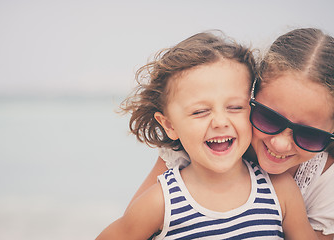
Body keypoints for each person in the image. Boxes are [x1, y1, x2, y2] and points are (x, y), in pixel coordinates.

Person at [96, 31, 316, 239]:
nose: (220, 122)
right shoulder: (160, 203)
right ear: (169, 126)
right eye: (200, 111)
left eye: (235, 107)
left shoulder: (280, 190)